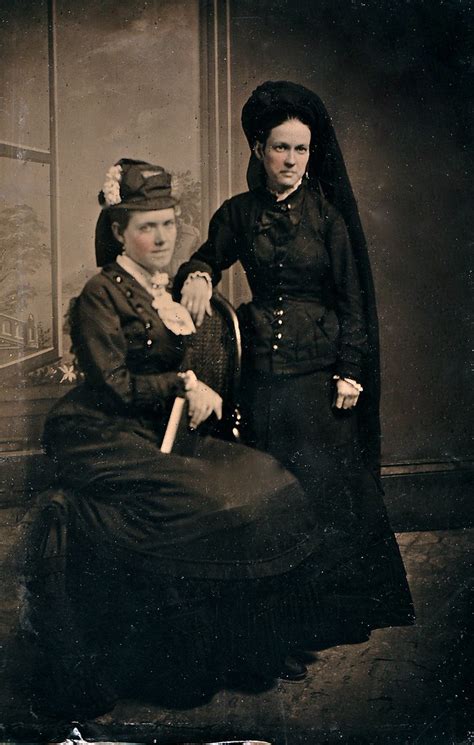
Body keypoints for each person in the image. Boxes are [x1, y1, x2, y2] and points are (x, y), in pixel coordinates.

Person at [21, 158, 368, 719]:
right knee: (215, 502)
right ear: (118, 233)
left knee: (271, 481)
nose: (161, 237)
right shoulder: (99, 297)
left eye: (168, 224)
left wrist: (190, 389)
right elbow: (111, 387)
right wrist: (184, 382)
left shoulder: (161, 290)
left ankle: (249, 650)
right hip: (99, 434)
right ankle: (177, 664)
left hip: (160, 428)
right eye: (146, 227)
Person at [175, 81, 414, 646]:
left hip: (320, 375)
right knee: (269, 490)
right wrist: (202, 274)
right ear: (258, 149)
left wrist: (351, 370)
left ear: (312, 154)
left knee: (326, 490)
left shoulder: (328, 219)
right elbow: (206, 256)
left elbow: (352, 300)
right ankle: (276, 621)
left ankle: (329, 616)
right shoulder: (237, 213)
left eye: (301, 149)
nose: (291, 160)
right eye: (281, 147)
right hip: (260, 375)